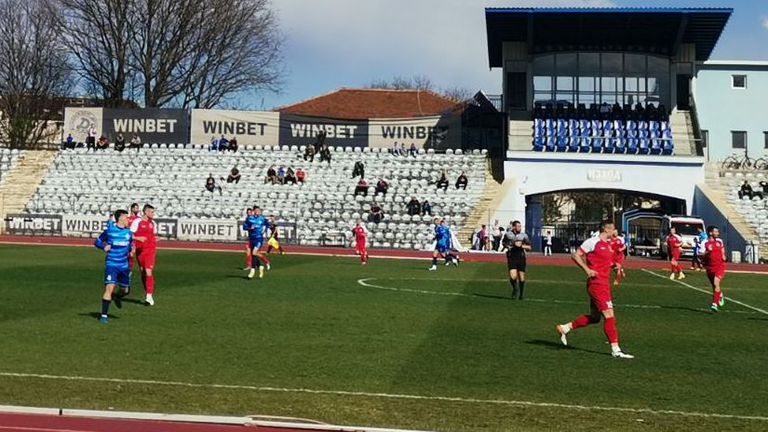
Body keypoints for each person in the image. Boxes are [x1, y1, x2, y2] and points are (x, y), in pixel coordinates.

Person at [555, 221, 634, 359]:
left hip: (604, 284)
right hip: (597, 284)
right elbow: (575, 255)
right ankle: (616, 349)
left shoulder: (608, 245)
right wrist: (587, 270)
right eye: (614, 229)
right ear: (606, 229)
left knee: (595, 318)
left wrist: (615, 267)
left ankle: (565, 328)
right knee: (609, 315)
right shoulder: (592, 242)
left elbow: (604, 262)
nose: (615, 232)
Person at [94, 209, 134, 324]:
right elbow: (97, 241)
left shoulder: (128, 233)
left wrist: (132, 250)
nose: (128, 220)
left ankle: (118, 296)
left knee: (125, 290)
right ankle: (104, 315)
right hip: (112, 264)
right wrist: (103, 247)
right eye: (127, 218)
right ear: (120, 218)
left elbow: (131, 245)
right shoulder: (110, 231)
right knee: (109, 289)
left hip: (124, 266)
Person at [130, 204, 158, 306]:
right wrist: (133, 245)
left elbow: (154, 235)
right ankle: (148, 291)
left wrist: (156, 238)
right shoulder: (137, 222)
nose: (153, 214)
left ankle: (149, 296)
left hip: (150, 250)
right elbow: (130, 234)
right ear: (145, 212)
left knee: (148, 271)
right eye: (151, 212)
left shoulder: (153, 223)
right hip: (140, 251)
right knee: (143, 272)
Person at [502, 220, 531, 300]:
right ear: (514, 227)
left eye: (520, 226)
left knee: (522, 278)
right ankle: (515, 288)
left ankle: (521, 294)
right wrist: (508, 246)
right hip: (512, 256)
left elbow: (529, 247)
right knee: (513, 276)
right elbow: (504, 243)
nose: (520, 228)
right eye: (518, 226)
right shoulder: (508, 234)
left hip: (521, 257)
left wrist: (521, 246)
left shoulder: (524, 235)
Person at [703, 225, 727, 312]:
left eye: (718, 232)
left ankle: (714, 304)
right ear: (710, 233)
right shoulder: (705, 243)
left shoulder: (720, 242)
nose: (718, 233)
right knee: (714, 286)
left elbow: (722, 250)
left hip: (720, 266)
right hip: (709, 267)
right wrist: (707, 252)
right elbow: (701, 255)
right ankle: (719, 294)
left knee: (716, 283)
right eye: (716, 231)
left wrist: (723, 255)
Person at [243, 206, 269, 279]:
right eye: (257, 210)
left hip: (259, 239)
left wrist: (266, 228)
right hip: (252, 239)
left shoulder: (262, 219)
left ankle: (252, 270)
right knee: (252, 254)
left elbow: (268, 225)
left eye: (259, 210)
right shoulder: (250, 219)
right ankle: (260, 267)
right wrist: (250, 228)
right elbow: (244, 227)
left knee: (254, 253)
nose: (259, 212)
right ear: (254, 211)